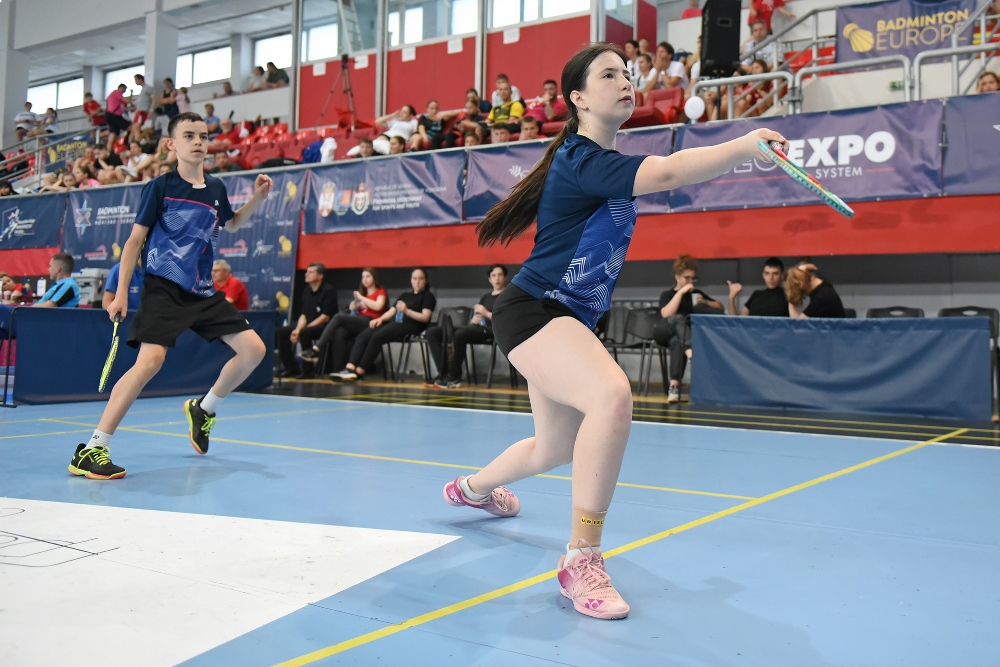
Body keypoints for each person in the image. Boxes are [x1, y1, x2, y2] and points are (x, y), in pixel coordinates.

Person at [444, 41, 787, 621]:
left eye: (627, 73)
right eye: (609, 75)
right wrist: (747, 144)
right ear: (577, 98)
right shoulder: (582, 159)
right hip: (535, 311)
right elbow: (672, 170)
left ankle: (471, 489)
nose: (626, 82)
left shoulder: (593, 160)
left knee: (553, 447)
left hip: (561, 319)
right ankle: (582, 558)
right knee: (612, 394)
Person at [67, 111, 273, 480]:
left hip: (203, 291)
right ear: (171, 144)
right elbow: (134, 242)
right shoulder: (160, 187)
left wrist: (257, 197)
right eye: (189, 135)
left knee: (253, 350)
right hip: (163, 287)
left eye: (203, 136)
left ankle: (203, 409)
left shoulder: (216, 189)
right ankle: (92, 448)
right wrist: (121, 293)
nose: (198, 142)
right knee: (150, 362)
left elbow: (233, 223)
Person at [329, 268, 436, 381]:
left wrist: (407, 311)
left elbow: (425, 317)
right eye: (415, 278)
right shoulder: (405, 295)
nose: (417, 281)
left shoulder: (428, 296)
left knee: (377, 336)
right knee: (365, 334)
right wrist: (380, 319)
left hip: (412, 325)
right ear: (411, 280)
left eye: (420, 279)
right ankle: (350, 368)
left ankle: (359, 371)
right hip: (396, 323)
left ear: (425, 281)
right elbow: (392, 311)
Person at [653, 255, 723, 403]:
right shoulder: (668, 294)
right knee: (679, 318)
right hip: (663, 330)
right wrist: (680, 292)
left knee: (678, 341)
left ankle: (674, 388)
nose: (691, 281)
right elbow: (666, 314)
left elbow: (720, 307)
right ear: (677, 277)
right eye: (687, 278)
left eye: (693, 278)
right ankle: (691, 355)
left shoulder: (696, 294)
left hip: (681, 337)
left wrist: (706, 302)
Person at [425, 264, 507, 389]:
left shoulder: (507, 296)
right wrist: (475, 319)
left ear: (505, 277)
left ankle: (454, 377)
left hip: (492, 331)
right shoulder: (485, 297)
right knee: (432, 332)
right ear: (489, 279)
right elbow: (478, 316)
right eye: (494, 275)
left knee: (460, 334)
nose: (497, 278)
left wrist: (486, 313)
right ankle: (443, 373)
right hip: (477, 328)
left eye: (500, 275)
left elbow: (505, 319)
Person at [300, 268, 388, 373]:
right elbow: (359, 311)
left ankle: (317, 349)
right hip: (360, 321)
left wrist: (361, 298)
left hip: (373, 322)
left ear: (374, 278)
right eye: (363, 277)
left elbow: (378, 306)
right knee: (340, 332)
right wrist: (355, 307)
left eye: (368, 276)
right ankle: (339, 369)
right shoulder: (363, 294)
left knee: (339, 317)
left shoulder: (380, 292)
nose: (365, 279)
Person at [276, 263, 338, 379]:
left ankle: (308, 371)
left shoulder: (328, 291)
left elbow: (325, 317)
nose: (306, 274)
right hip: (308, 325)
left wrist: (303, 330)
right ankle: (291, 367)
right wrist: (297, 330)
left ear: (320, 276)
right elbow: (304, 315)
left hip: (325, 327)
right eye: (307, 272)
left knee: (305, 332)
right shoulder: (306, 291)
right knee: (283, 331)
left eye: (310, 272)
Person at [105, 84, 132, 150]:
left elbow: (123, 107)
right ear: (122, 88)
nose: (124, 92)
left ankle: (109, 151)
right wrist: (131, 93)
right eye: (124, 90)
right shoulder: (117, 92)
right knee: (132, 128)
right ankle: (130, 145)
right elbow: (127, 101)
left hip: (110, 115)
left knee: (113, 134)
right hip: (115, 115)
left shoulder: (111, 96)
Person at [130, 74, 156, 143]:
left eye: (136, 80)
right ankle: (137, 143)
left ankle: (141, 143)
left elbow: (154, 100)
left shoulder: (148, 88)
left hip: (143, 111)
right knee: (134, 128)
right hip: (139, 110)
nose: (135, 82)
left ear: (140, 79)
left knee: (136, 127)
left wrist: (151, 111)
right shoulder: (142, 91)